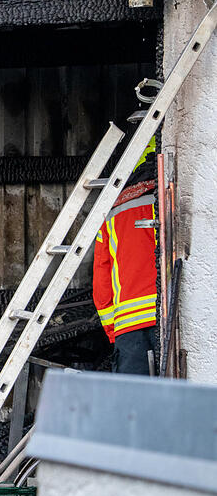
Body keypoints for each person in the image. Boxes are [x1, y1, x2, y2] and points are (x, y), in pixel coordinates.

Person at [93, 138, 159, 375]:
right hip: (168, 317)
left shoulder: (113, 209)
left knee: (133, 406)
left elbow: (101, 277)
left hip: (128, 328)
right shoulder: (171, 196)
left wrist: (113, 329)